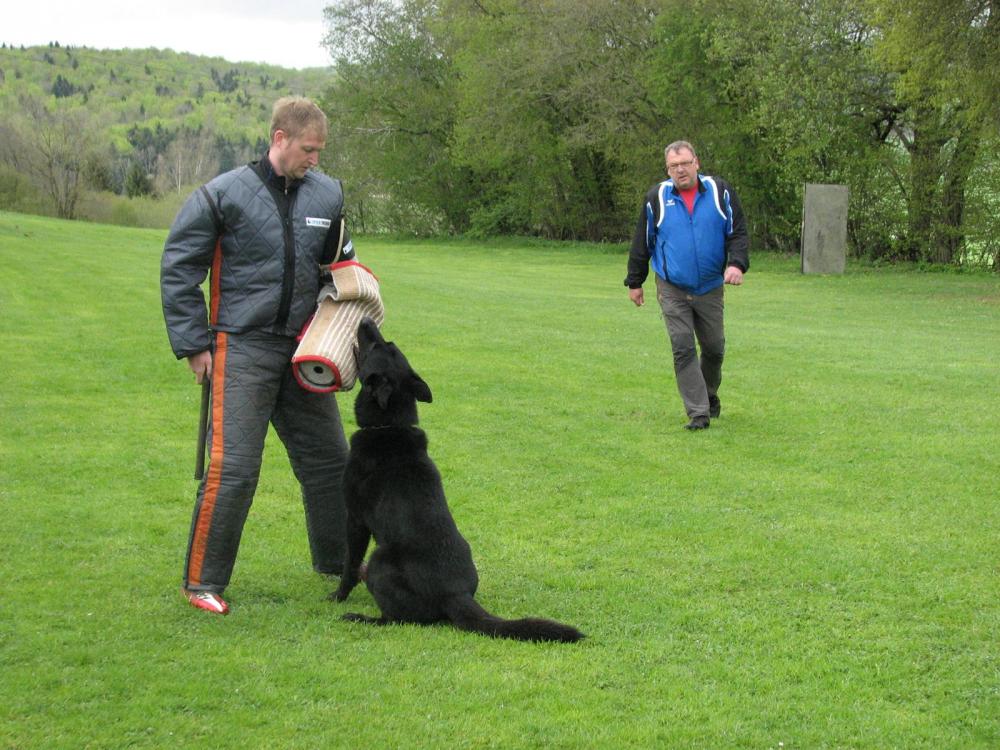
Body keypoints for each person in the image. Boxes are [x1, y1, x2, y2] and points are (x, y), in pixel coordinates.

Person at [161, 96, 357, 615]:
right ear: (279, 139)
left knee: (330, 460)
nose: (314, 159)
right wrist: (193, 344)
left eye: (319, 151)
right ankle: (202, 582)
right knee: (234, 468)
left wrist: (344, 325)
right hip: (240, 347)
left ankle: (338, 561)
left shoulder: (328, 195)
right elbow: (180, 266)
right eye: (308, 149)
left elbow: (341, 266)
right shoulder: (223, 194)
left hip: (302, 350)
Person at [624, 140, 749, 430]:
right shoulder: (657, 197)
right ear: (668, 170)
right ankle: (698, 413)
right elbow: (642, 242)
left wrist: (736, 263)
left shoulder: (720, 191)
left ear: (696, 163)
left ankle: (709, 393)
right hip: (672, 286)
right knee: (682, 345)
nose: (680, 170)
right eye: (673, 166)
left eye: (684, 163)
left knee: (714, 348)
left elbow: (738, 232)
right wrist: (635, 281)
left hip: (710, 286)